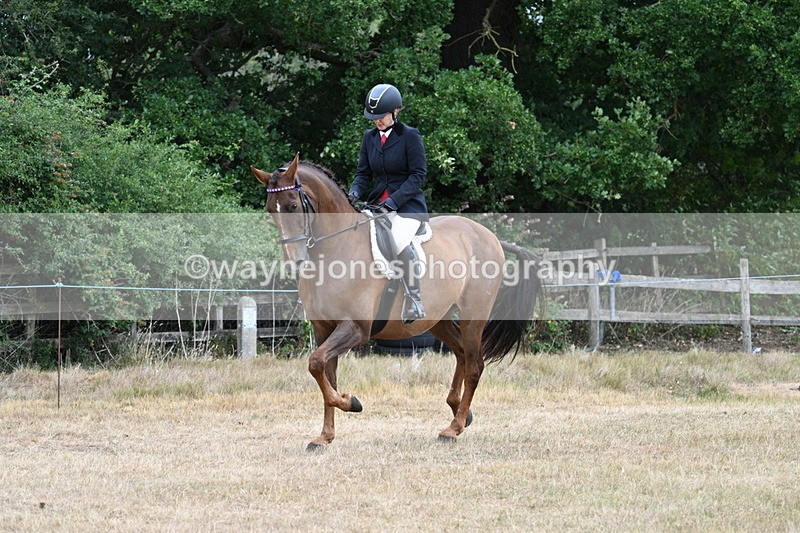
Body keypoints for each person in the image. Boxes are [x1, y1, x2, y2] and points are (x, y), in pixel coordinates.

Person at [348, 83, 429, 323]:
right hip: (376, 204)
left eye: (381, 116)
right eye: (373, 117)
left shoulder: (410, 136)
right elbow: (363, 174)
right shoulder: (369, 138)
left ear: (396, 111)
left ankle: (415, 299)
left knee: (398, 239)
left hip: (407, 206)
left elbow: (418, 176)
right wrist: (353, 192)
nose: (377, 121)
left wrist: (393, 202)